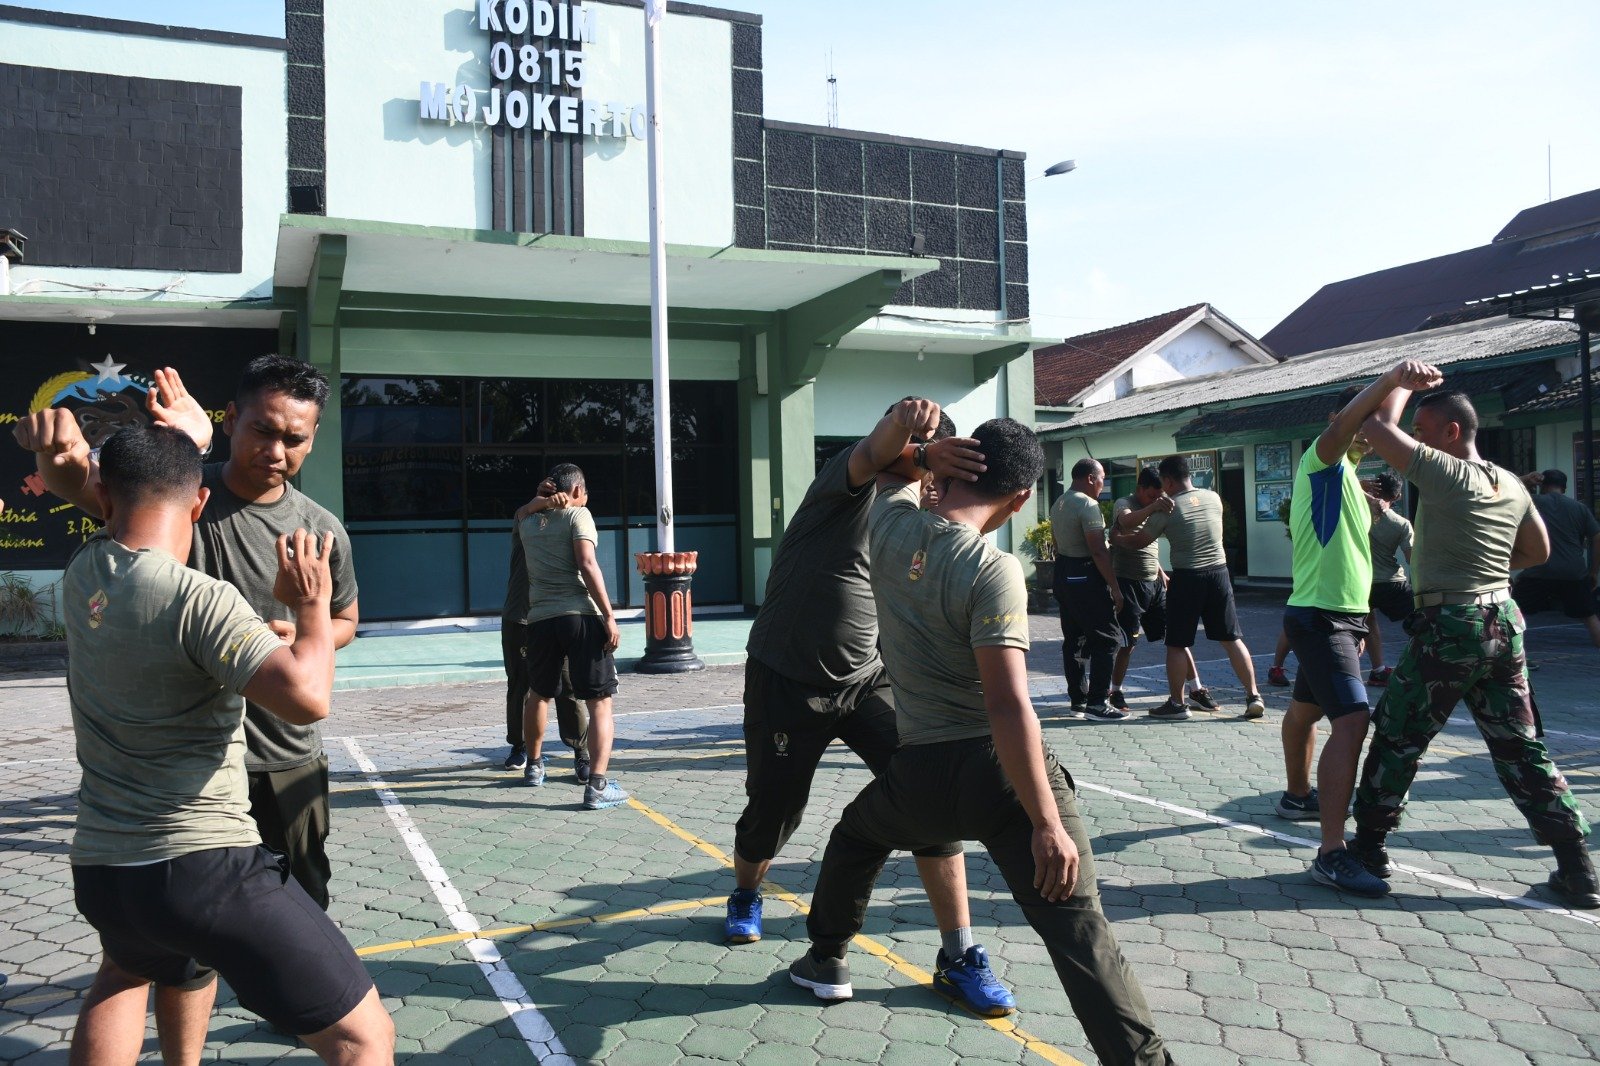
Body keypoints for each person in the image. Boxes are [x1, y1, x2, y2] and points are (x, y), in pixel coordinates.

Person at [788, 417, 1171, 1065]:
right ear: (1022, 499)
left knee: (856, 835)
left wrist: (922, 456)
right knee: (1080, 935)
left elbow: (885, 469)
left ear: (949, 469)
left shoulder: (890, 526)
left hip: (921, 776)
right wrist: (1045, 820)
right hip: (1004, 779)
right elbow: (1006, 702)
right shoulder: (993, 570)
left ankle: (825, 957)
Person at [63, 425, 393, 1064]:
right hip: (201, 865)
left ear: (104, 499)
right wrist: (311, 608)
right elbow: (306, 697)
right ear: (199, 504)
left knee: (124, 975)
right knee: (365, 1036)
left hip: (103, 867)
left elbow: (97, 484)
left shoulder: (85, 574)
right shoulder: (200, 598)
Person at [16, 357, 359, 911]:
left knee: (301, 906)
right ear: (230, 419)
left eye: (294, 438)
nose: (276, 451)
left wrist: (302, 629)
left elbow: (345, 620)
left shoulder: (321, 528)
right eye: (262, 430)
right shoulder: (177, 492)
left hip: (284, 753)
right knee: (191, 931)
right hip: (189, 770)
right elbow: (78, 482)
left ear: (314, 438)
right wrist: (56, 454)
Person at [731, 399, 1019, 1018]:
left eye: (947, 454)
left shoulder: (926, 518)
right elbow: (874, 451)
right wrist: (910, 432)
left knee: (930, 796)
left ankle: (959, 954)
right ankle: (746, 893)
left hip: (868, 681)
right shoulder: (844, 485)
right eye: (928, 451)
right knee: (774, 809)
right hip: (788, 676)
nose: (936, 464)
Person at [1350, 387, 1597, 909]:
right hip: (1504, 619)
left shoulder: (1447, 471)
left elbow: (1375, 428)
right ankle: (1578, 867)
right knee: (1520, 744)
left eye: (1423, 431)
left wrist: (1399, 382)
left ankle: (1368, 850)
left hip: (1452, 622)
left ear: (1452, 432)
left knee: (1398, 733)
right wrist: (1486, 567)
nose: (1416, 440)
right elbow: (1537, 551)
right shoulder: (1509, 480)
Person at [1274, 378, 1414, 898]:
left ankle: (1296, 796)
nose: (1372, 432)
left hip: (1341, 618)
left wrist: (1401, 391)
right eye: (1363, 421)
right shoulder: (1324, 461)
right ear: (1343, 422)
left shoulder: (1354, 479)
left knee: (1306, 712)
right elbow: (1356, 422)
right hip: (1320, 618)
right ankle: (1332, 853)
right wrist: (1395, 378)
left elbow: (1384, 424)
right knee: (1353, 721)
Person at [1114, 455, 1266, 721]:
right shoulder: (1214, 498)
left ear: (1169, 480)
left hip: (1188, 577)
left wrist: (1116, 539)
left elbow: (1140, 541)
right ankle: (1254, 695)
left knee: (1176, 643)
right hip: (1220, 573)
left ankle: (1176, 704)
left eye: (1163, 482)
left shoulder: (1168, 508)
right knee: (1231, 638)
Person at [515, 463, 628, 809]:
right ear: (577, 490)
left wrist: (538, 502)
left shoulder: (529, 523)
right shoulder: (580, 516)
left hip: (540, 619)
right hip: (579, 616)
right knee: (600, 703)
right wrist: (609, 615)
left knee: (538, 694)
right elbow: (587, 563)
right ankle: (597, 785)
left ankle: (534, 767)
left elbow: (520, 512)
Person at [501, 478, 591, 778]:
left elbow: (586, 562)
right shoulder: (527, 521)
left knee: (568, 685)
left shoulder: (572, 522)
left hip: (556, 616)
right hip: (521, 615)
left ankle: (580, 750)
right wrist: (538, 502)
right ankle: (520, 747)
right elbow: (521, 512)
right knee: (522, 686)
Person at [1108, 467, 1212, 713]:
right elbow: (1125, 522)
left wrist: (1160, 570)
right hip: (1128, 582)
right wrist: (1153, 507)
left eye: (1158, 497)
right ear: (1140, 489)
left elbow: (1147, 544)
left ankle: (1196, 688)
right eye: (1151, 496)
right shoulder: (1126, 503)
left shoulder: (1155, 504)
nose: (1155, 501)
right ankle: (1115, 691)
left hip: (1153, 583)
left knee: (1177, 638)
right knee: (1127, 644)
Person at [1049, 458, 1127, 721]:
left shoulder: (1059, 502)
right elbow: (1098, 550)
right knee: (1108, 638)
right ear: (1091, 478)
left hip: (1063, 572)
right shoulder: (1087, 505)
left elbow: (1057, 544)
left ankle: (1079, 701)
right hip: (1084, 574)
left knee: (1075, 639)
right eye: (1102, 477)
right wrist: (1114, 588)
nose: (1103, 483)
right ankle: (1097, 703)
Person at [1512, 468, 1600, 649]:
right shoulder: (1580, 508)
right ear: (1565, 488)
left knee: (1513, 613)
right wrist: (1593, 572)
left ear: (1542, 486)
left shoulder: (1534, 502)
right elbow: (1597, 537)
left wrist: (1527, 481)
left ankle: (1508, 653)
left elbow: (1507, 489)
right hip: (1573, 571)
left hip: (1538, 569)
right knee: (1589, 616)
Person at [1364, 471, 1415, 685]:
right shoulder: (1401, 524)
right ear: (1397, 497)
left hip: (1362, 582)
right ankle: (1422, 665)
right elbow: (1413, 559)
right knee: (1423, 619)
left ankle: (1378, 669)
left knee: (1368, 621)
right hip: (1392, 583)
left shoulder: (1356, 514)